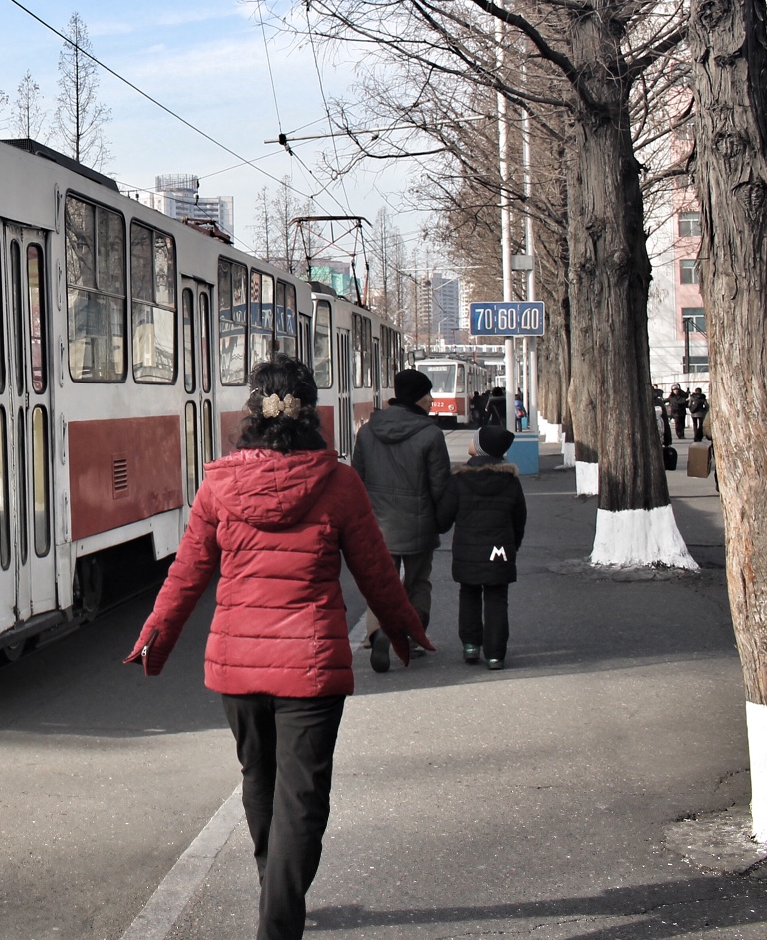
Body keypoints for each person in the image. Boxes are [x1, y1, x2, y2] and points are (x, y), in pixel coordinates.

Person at [127, 356, 432, 940]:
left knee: (259, 779)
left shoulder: (218, 483)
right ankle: (279, 915)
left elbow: (187, 574)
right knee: (303, 797)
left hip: (236, 667)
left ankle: (275, 892)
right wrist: (404, 628)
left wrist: (154, 641)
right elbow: (374, 570)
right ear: (310, 413)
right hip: (311, 669)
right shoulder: (338, 483)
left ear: (252, 413)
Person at [350, 366, 453, 672]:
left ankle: (378, 632)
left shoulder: (367, 431)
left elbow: (357, 479)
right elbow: (440, 486)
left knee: (382, 582)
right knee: (418, 582)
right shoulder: (431, 435)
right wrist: (441, 521)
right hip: (419, 524)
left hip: (378, 524)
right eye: (428, 394)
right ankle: (413, 636)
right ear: (418, 399)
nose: (432, 400)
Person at [438, 423, 527, 669]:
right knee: (497, 597)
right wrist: (514, 544)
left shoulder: (460, 479)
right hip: (500, 550)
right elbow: (520, 516)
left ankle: (470, 646)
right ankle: (496, 654)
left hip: (468, 551)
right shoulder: (510, 480)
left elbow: (444, 518)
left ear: (478, 449)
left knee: (469, 593)